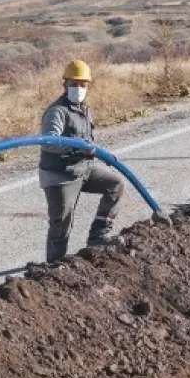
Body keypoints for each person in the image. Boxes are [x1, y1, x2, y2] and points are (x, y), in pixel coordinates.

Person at [38, 60, 124, 263]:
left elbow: (89, 141)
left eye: (82, 84)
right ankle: (53, 267)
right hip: (60, 175)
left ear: (88, 86)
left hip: (82, 169)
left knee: (115, 185)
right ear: (64, 85)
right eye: (73, 84)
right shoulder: (57, 111)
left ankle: (98, 235)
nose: (78, 89)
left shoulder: (84, 109)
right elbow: (49, 142)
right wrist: (78, 146)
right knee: (62, 223)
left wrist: (103, 154)